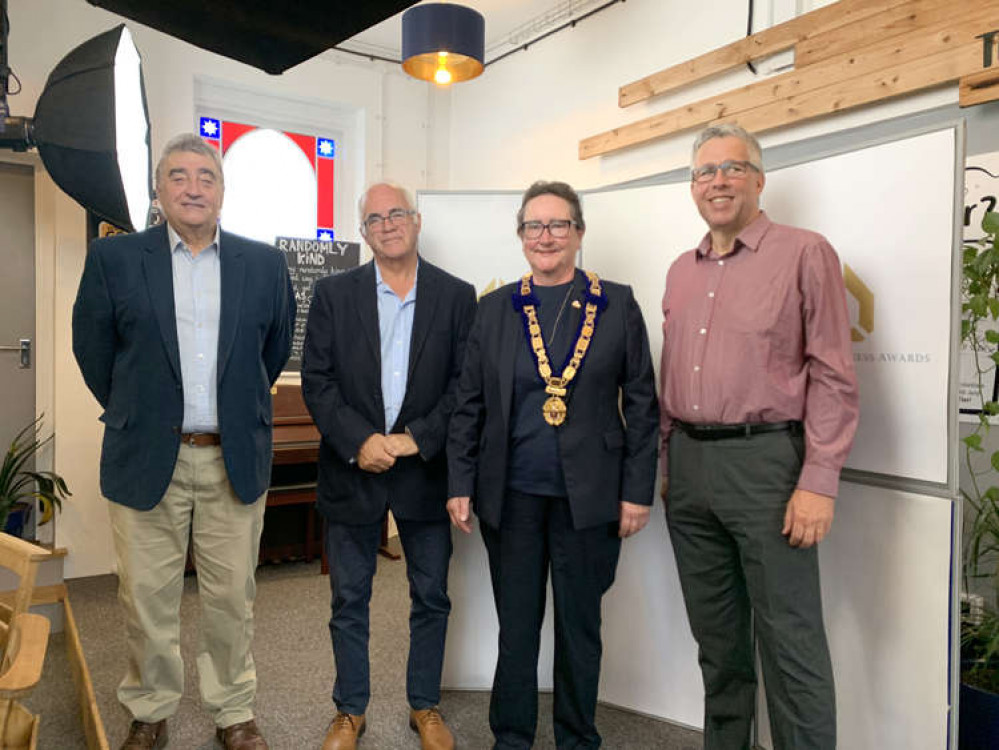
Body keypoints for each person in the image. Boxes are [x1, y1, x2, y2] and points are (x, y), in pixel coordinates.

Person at [72, 133, 296, 750]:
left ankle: (233, 710)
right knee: (146, 595)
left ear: (222, 192)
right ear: (159, 189)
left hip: (232, 457)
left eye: (206, 176)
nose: (193, 187)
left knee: (232, 597)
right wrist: (139, 412)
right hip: (147, 455)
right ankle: (150, 708)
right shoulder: (114, 260)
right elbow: (94, 352)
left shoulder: (263, 264)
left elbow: (268, 354)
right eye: (179, 176)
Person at [660, 123, 859, 750]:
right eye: (704, 172)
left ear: (758, 178)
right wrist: (667, 465)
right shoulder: (679, 271)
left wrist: (819, 481)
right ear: (692, 187)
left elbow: (833, 373)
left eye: (732, 168)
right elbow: (670, 374)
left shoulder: (805, 252)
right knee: (717, 643)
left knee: (790, 643)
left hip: (769, 468)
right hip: (689, 471)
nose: (717, 181)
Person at [447, 180, 659, 749]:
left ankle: (576, 738)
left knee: (579, 628)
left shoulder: (616, 303)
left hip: (588, 499)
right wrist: (459, 481)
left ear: (579, 233)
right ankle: (511, 738)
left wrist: (638, 491)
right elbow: (468, 404)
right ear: (521, 237)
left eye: (558, 224)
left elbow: (641, 403)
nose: (546, 236)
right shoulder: (493, 309)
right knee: (517, 629)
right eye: (534, 226)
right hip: (510, 497)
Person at [301, 182, 476, 750]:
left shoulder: (456, 296)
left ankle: (424, 705)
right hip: (353, 470)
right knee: (349, 598)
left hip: (425, 472)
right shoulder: (333, 295)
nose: (387, 224)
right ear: (363, 232)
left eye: (396, 213)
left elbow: (464, 388)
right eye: (374, 218)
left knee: (431, 596)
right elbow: (318, 383)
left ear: (417, 220)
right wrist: (361, 442)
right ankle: (350, 710)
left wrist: (411, 441)